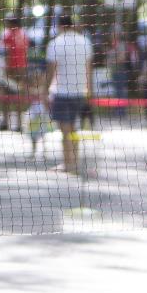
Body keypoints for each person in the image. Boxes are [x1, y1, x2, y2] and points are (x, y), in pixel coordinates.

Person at [43, 12, 94, 175]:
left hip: (62, 93)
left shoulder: (55, 43)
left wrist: (45, 91)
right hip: (80, 92)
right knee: (74, 130)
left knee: (65, 131)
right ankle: (75, 162)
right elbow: (89, 69)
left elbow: (50, 71)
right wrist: (89, 90)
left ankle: (68, 164)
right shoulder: (85, 42)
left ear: (59, 26)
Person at [0, 11, 30, 132]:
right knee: (19, 96)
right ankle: (20, 125)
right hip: (22, 69)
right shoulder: (24, 34)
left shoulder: (7, 35)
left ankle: (5, 122)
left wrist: (5, 69)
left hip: (10, 70)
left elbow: (4, 52)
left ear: (11, 22)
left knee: (6, 96)